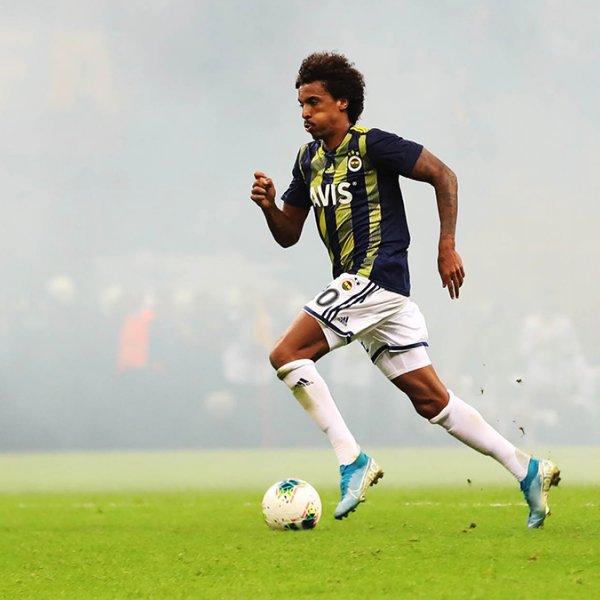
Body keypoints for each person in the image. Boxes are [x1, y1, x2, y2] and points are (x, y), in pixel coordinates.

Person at [250, 51, 560, 527]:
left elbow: (443, 174)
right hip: (373, 294)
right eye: (301, 105)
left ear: (342, 102)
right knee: (432, 401)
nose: (305, 113)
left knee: (286, 354)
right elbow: (289, 233)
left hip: (374, 277)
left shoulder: (373, 145)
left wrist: (447, 244)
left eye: (313, 103)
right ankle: (526, 468)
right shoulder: (307, 160)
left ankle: (352, 459)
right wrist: (270, 207)